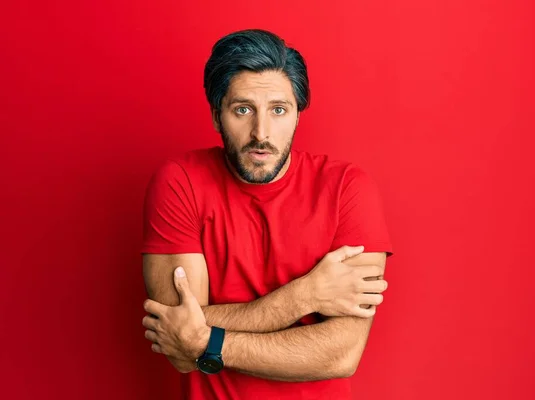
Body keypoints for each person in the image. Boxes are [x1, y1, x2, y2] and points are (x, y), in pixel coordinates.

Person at [140, 29, 394, 400]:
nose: (261, 132)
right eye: (243, 109)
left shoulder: (347, 189)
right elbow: (178, 346)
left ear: (297, 115)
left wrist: (206, 340)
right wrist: (305, 297)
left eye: (278, 110)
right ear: (216, 116)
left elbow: (342, 354)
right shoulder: (180, 181)